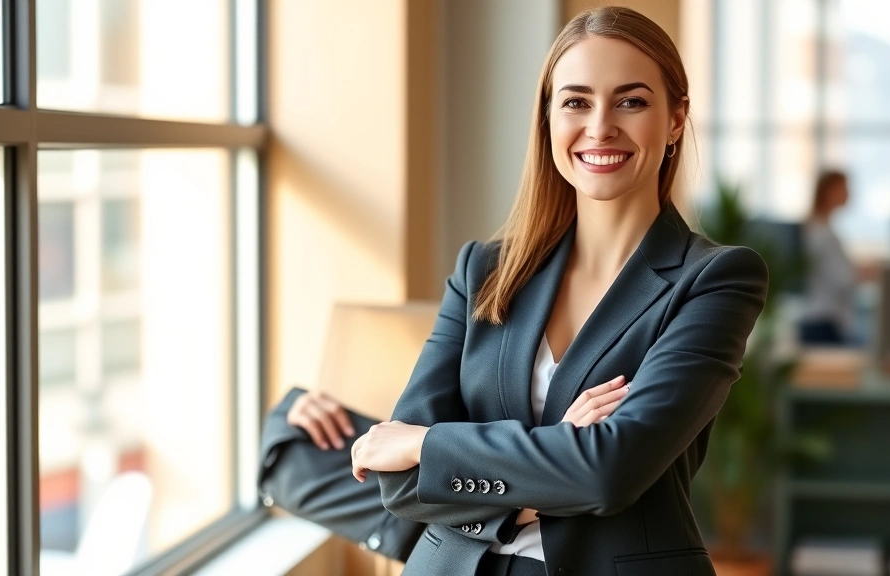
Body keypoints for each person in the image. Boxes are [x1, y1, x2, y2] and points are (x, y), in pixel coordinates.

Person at [351, 7, 768, 576]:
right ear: (548, 117)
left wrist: (428, 446)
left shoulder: (715, 279)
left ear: (675, 119)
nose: (600, 127)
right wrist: (550, 462)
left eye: (631, 101)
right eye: (576, 101)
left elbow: (609, 471)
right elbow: (397, 485)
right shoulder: (483, 271)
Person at [800, 170, 856, 345]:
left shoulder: (818, 227)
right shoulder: (822, 233)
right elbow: (842, 279)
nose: (849, 193)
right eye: (844, 187)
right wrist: (864, 273)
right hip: (824, 319)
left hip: (818, 316)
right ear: (829, 191)